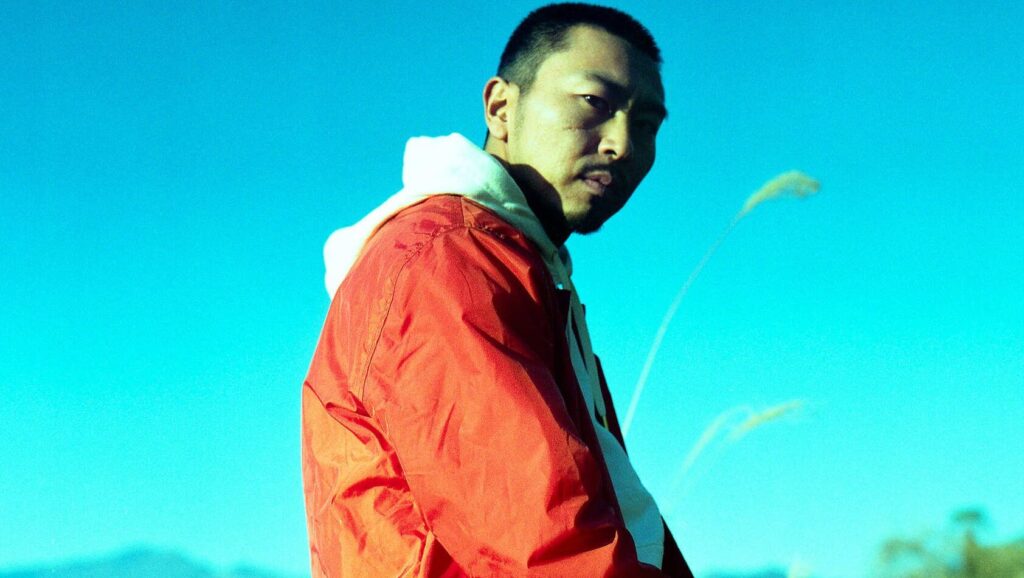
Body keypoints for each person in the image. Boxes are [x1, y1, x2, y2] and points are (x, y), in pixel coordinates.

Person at [302, 4, 694, 576]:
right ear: (501, 108)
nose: (623, 144)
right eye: (594, 102)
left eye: (647, 125)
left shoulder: (522, 273)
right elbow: (551, 547)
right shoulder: (447, 264)